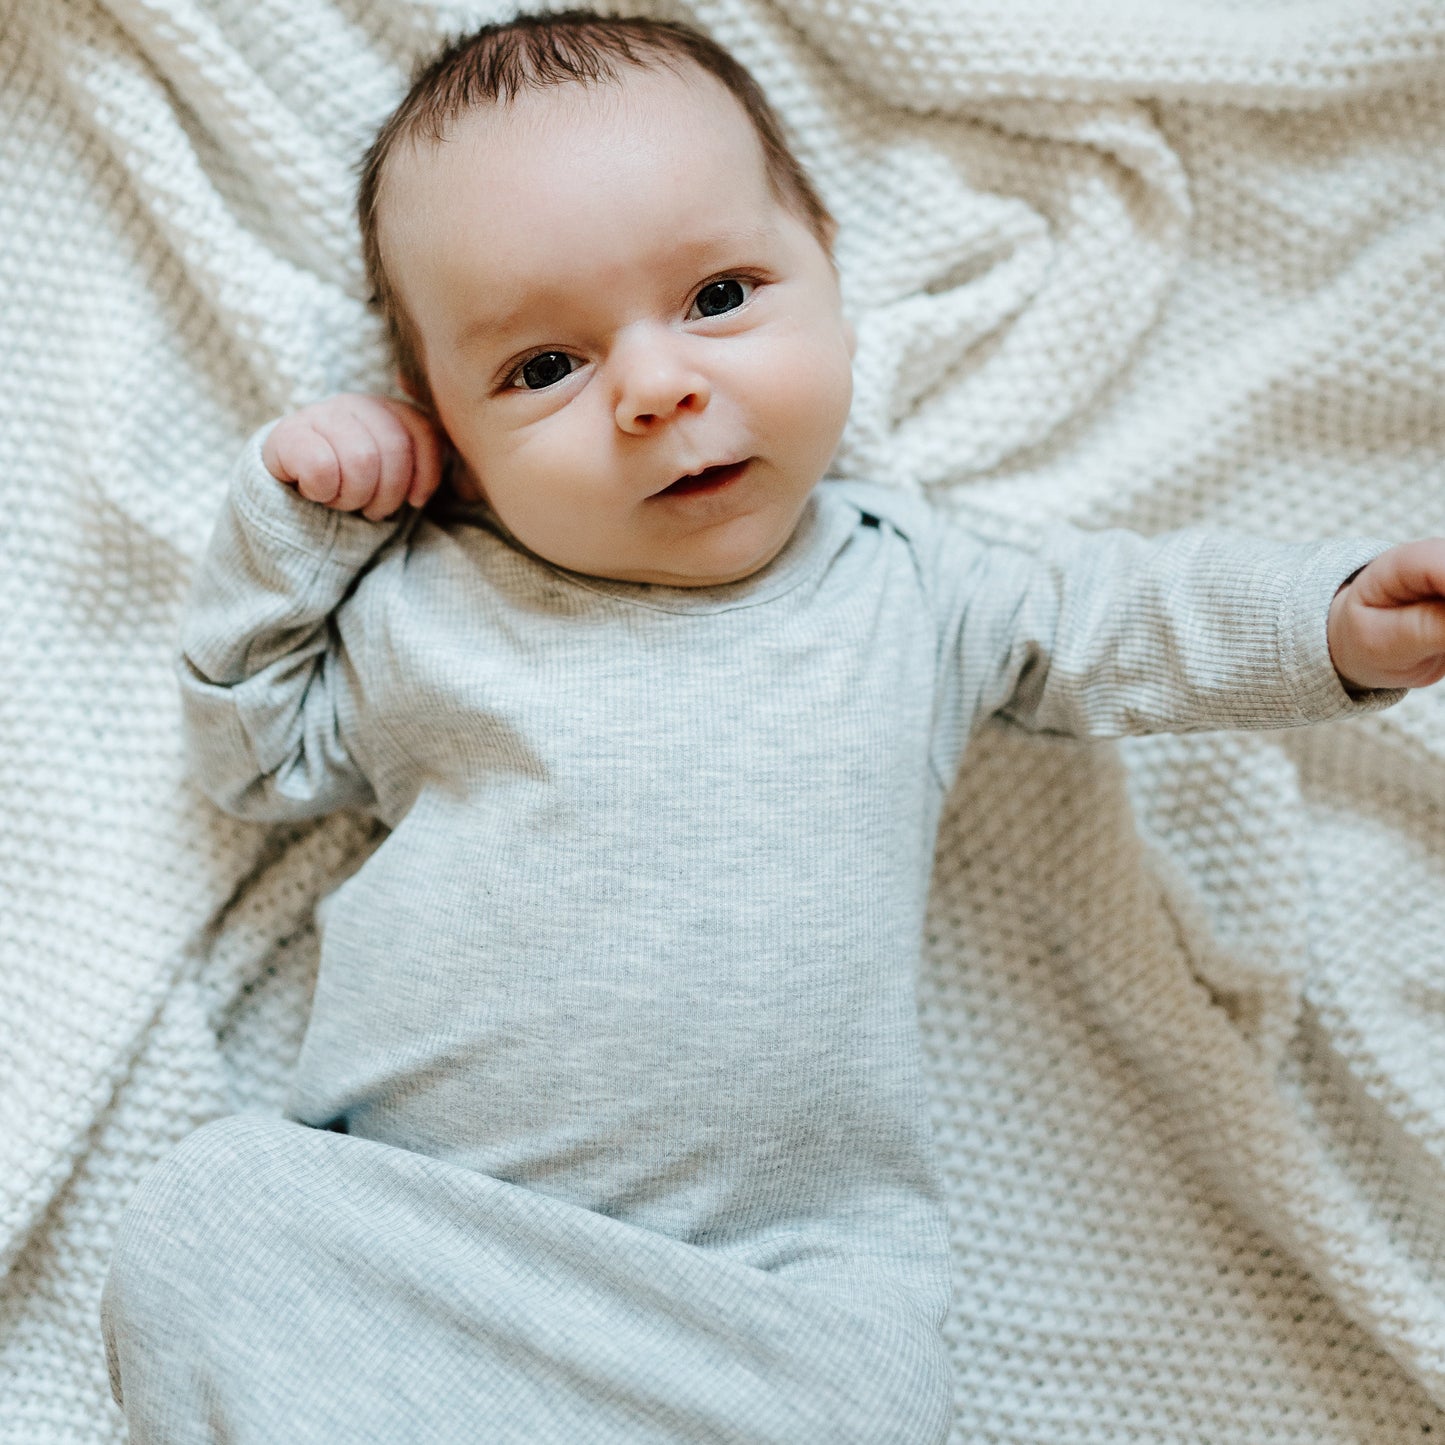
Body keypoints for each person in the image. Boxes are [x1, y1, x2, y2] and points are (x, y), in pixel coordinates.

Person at [100, 11, 1445, 1443]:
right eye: (542, 367)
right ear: (447, 435)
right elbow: (250, 756)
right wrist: (291, 531)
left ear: (830, 280)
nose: (655, 384)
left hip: (775, 1306)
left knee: (870, 1383)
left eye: (720, 294)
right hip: (441, 1254)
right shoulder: (429, 608)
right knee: (208, 1214)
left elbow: (1129, 618)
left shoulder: (915, 584)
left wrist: (1331, 621)